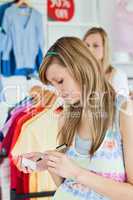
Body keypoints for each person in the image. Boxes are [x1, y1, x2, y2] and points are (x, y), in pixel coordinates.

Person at [14, 37, 133, 200]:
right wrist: (49, 162)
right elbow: (65, 184)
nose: (59, 92)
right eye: (53, 85)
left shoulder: (124, 112)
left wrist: (77, 173)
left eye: (61, 81)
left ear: (81, 68)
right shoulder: (66, 117)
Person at [83, 27, 129, 98]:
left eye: (95, 46)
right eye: (87, 45)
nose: (89, 49)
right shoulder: (79, 74)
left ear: (105, 48)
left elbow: (123, 106)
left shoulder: (118, 76)